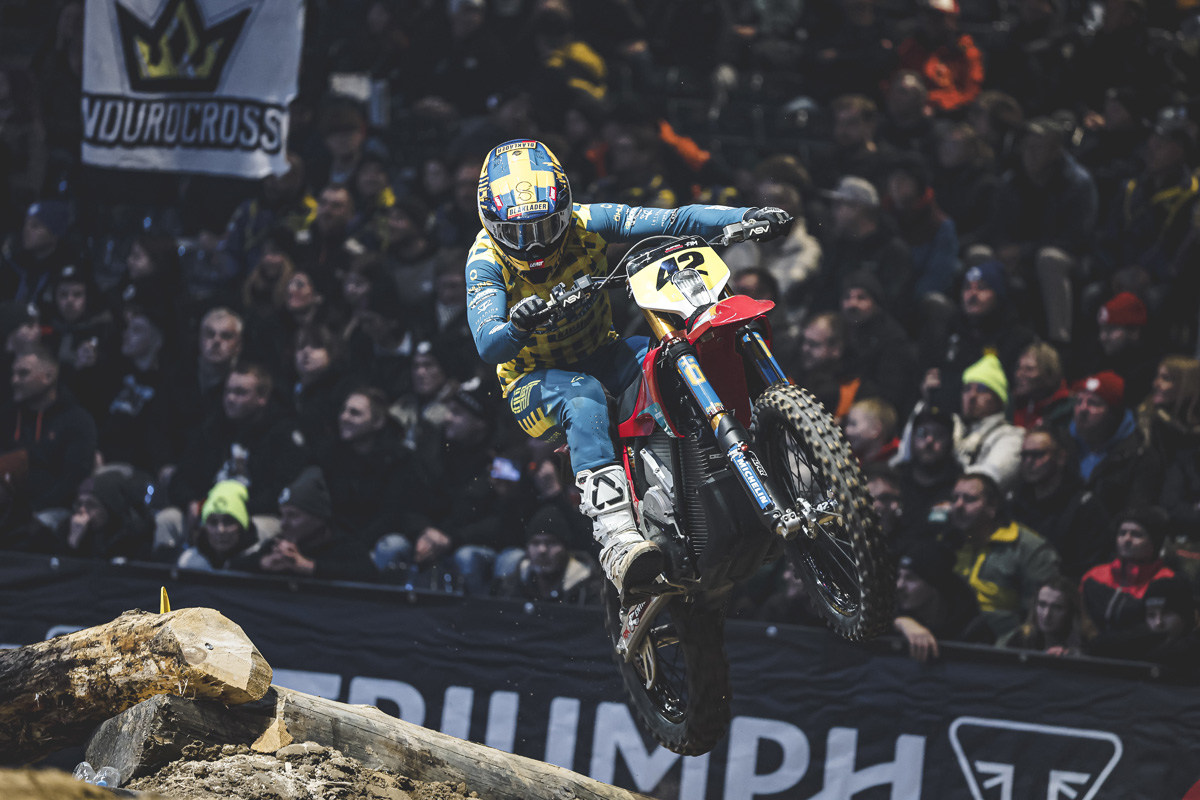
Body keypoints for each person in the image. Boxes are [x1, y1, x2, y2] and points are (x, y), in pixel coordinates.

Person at [465, 139, 792, 601]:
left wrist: (747, 216)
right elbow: (488, 343)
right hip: (532, 382)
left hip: (604, 352)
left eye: (546, 226)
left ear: (565, 208)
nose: (534, 244)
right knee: (583, 396)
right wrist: (516, 324)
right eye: (518, 234)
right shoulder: (484, 261)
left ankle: (722, 475)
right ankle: (617, 539)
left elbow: (675, 220)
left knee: (671, 360)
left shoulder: (587, 220)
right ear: (491, 225)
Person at [947, 471, 1061, 637]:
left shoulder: (1028, 547)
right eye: (954, 498)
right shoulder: (945, 540)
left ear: (992, 507)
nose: (958, 505)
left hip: (1003, 642)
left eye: (969, 499)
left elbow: (1039, 616)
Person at [232, 466, 376, 582]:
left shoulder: (345, 547)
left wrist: (309, 566)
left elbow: (371, 577)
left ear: (318, 517)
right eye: (282, 515)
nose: (284, 524)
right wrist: (263, 563)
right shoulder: (279, 546)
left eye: (293, 516)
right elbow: (232, 569)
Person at [0, 345, 96, 515]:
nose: (15, 380)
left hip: (51, 510)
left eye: (23, 374)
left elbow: (71, 482)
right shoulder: (9, 414)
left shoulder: (77, 420)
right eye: (13, 374)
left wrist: (29, 512)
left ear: (48, 376)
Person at [1009, 427, 1111, 579]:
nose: (1029, 461)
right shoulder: (1015, 502)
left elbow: (1089, 565)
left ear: (1061, 458)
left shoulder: (1084, 506)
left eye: (1038, 455)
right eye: (1025, 455)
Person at [1069, 370, 1164, 520]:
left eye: (1094, 403)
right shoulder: (1063, 444)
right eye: (1079, 401)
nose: (1082, 409)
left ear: (1114, 413)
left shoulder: (1139, 455)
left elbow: (1135, 513)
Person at [1080, 507, 1174, 632]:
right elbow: (1080, 619)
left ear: (1154, 543)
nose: (1127, 539)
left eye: (1136, 535)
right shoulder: (1094, 576)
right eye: (1122, 533)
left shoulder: (1166, 580)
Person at [892, 541, 988, 662]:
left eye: (910, 578)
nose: (899, 586)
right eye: (899, 576)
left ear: (935, 585)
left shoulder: (971, 627)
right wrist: (901, 622)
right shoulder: (892, 612)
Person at [493, 504, 603, 605]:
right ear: (527, 548)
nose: (542, 550)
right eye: (535, 543)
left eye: (551, 543)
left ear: (565, 549)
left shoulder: (588, 590)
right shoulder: (512, 584)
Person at [954, 354, 1024, 489]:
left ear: (999, 399)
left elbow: (990, 478)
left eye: (982, 389)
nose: (972, 396)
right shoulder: (956, 429)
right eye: (967, 388)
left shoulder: (1011, 437)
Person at [999, 576, 1096, 655]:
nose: (1046, 614)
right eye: (1042, 604)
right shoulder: (1021, 639)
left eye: (1057, 608)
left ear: (1071, 612)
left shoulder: (1087, 647)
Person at [176, 480, 259, 571]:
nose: (220, 530)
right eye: (213, 522)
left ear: (242, 526)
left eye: (228, 522)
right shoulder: (189, 562)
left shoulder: (258, 562)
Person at [1011, 342, 1072, 430]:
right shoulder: (1019, 404)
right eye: (1019, 368)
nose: (1019, 374)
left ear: (1049, 373)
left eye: (1029, 369)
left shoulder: (1066, 410)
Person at [845, 398, 899, 465]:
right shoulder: (850, 455)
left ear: (875, 430)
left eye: (853, 424)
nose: (847, 430)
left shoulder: (893, 463)